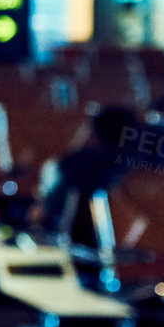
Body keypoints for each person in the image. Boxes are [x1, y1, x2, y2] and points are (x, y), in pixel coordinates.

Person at [33, 105, 143, 245]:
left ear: (94, 134)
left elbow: (44, 213)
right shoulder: (148, 166)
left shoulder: (79, 164)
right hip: (136, 254)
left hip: (83, 247)